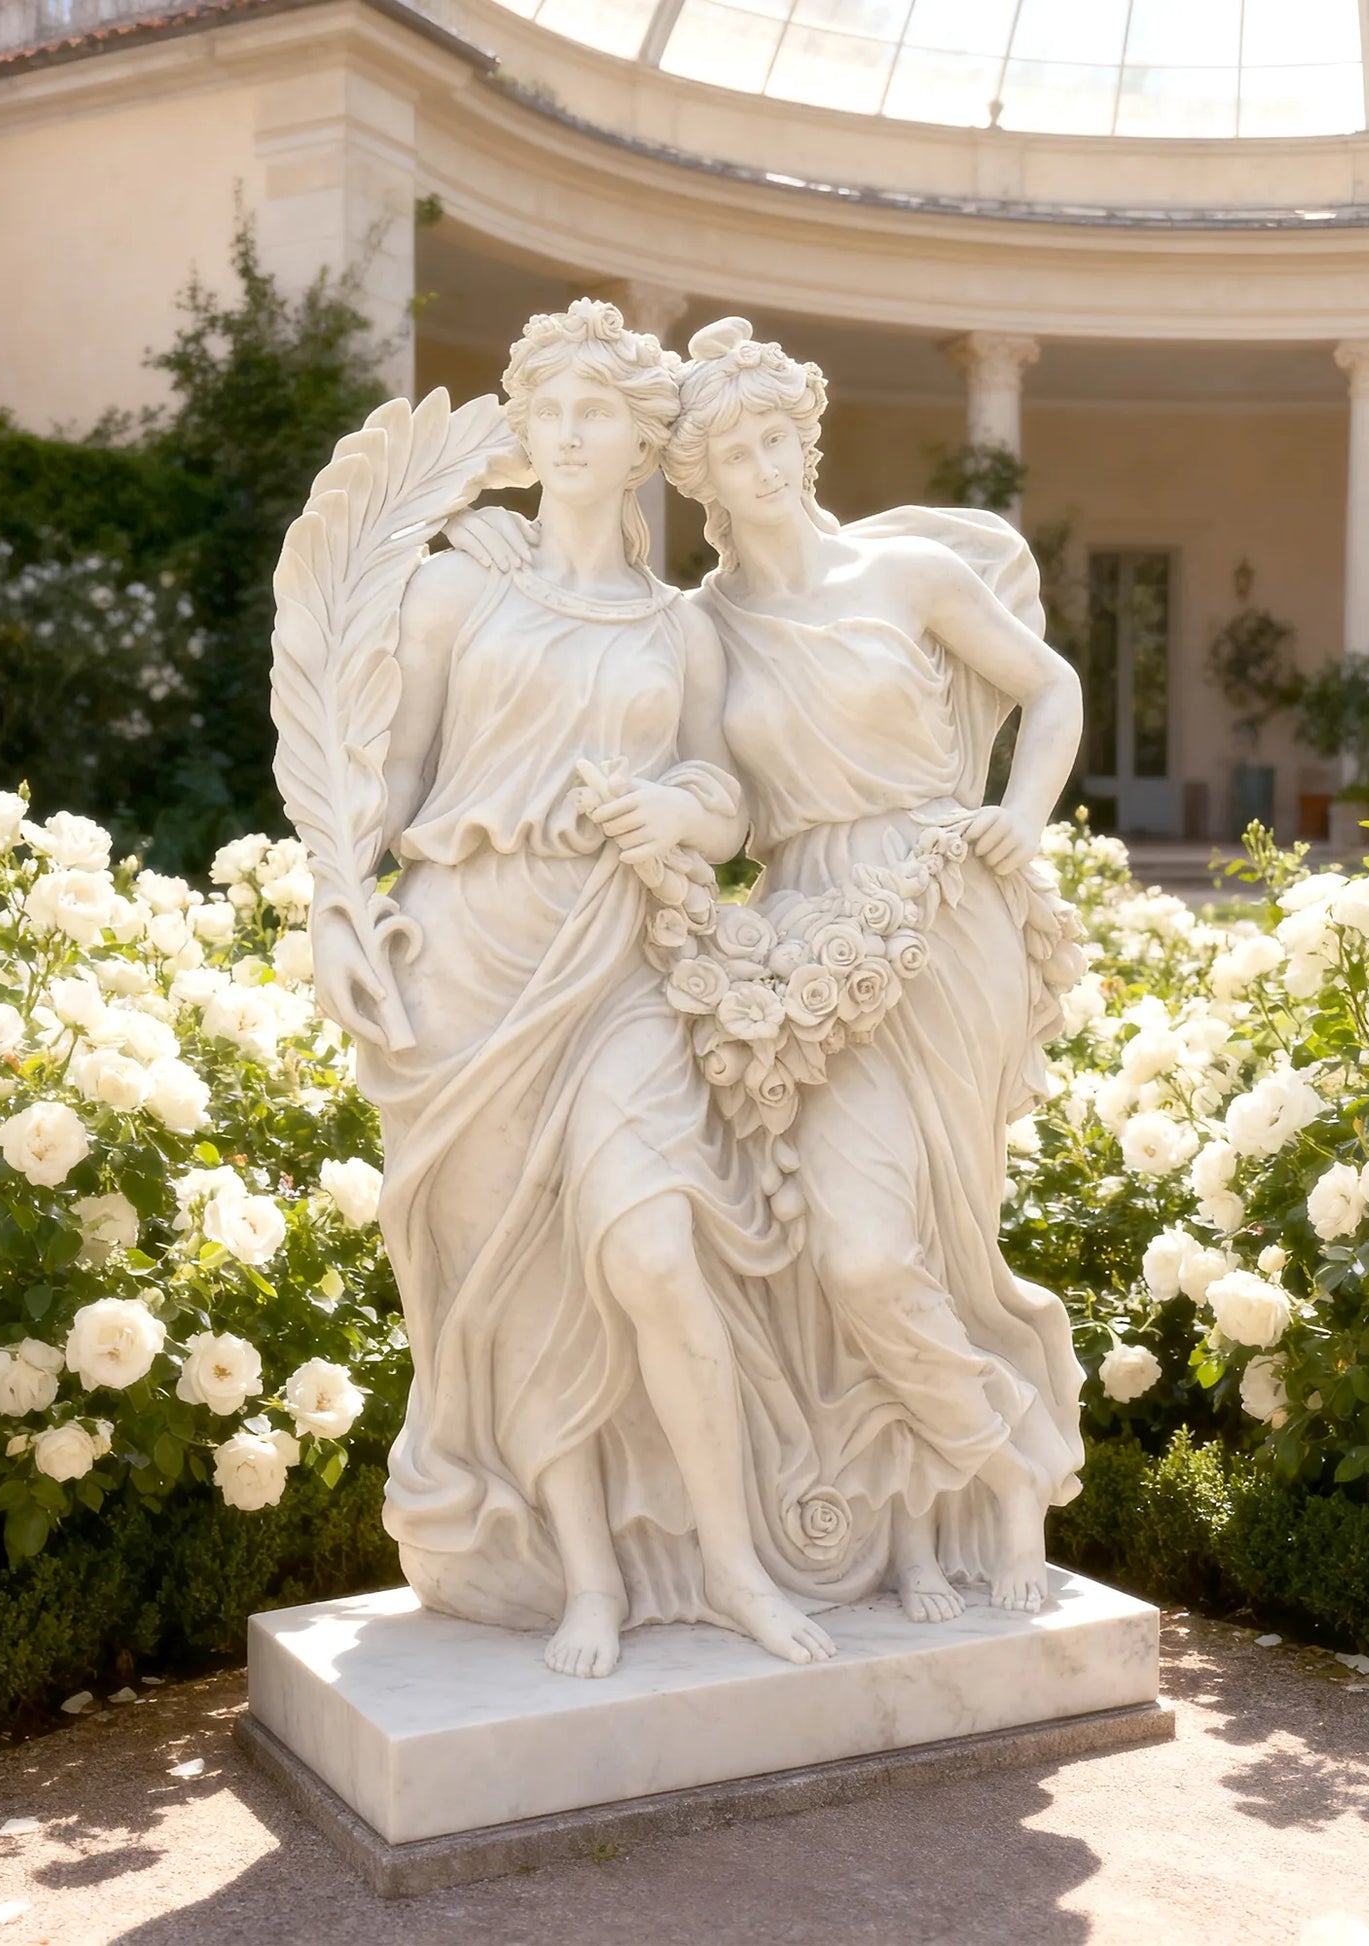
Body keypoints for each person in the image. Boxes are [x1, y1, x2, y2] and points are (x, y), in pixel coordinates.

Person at [363, 301, 842, 1678]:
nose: (565, 437)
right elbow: (393, 777)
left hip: (620, 955)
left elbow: (724, 798)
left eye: (595, 415)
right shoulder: (458, 585)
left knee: (651, 1256)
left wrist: (671, 814)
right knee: (517, 1276)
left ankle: (735, 1566)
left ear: (642, 440)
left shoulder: (676, 626)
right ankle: (581, 1580)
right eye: (546, 412)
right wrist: (339, 898)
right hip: (468, 948)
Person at [660, 318, 1089, 1615]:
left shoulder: (905, 576)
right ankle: (1002, 1460)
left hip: (940, 922)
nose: (764, 460)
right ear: (701, 482)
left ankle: (939, 1518)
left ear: (807, 433)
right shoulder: (702, 627)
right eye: (732, 447)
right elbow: (710, 801)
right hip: (801, 936)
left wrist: (1015, 821)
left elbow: (1051, 688)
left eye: (776, 431)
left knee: (943, 1231)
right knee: (844, 1252)